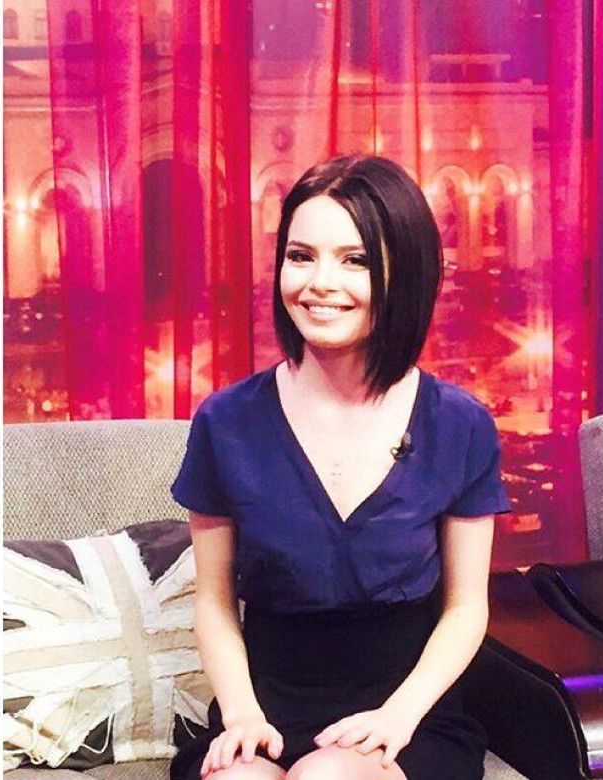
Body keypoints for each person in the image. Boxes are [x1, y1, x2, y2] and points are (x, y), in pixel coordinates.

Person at [170, 154, 511, 780]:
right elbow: (214, 603)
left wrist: (398, 717)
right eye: (301, 256)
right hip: (264, 706)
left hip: (405, 712)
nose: (319, 283)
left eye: (355, 260)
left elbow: (466, 608)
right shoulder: (226, 421)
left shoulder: (460, 424)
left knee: (328, 775)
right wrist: (241, 715)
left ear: (404, 274)